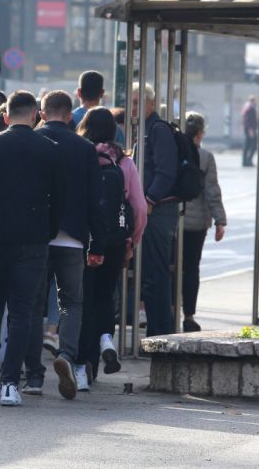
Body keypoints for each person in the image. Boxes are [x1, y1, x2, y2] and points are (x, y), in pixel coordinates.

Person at [0, 90, 65, 407]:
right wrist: (46, 232)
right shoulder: (49, 149)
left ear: (5, 117)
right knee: (21, 311)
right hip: (32, 240)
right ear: (35, 115)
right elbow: (58, 200)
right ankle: (11, 383)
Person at [21, 90, 105, 399]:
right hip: (72, 237)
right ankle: (67, 356)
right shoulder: (84, 148)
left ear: (41, 114)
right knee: (72, 302)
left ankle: (32, 375)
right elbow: (95, 200)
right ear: (70, 115)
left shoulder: (31, 142)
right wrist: (97, 242)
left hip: (35, 237)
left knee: (32, 304)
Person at [75, 108, 147, 382]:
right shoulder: (124, 161)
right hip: (115, 241)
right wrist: (132, 240)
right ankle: (106, 338)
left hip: (83, 240)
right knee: (106, 296)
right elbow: (139, 208)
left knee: (83, 301)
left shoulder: (79, 156)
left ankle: (82, 369)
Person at [134, 82, 179, 336]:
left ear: (151, 103)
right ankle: (157, 330)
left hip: (158, 211)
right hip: (151, 209)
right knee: (151, 273)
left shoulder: (157, 129)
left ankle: (160, 333)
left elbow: (165, 171)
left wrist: (150, 200)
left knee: (155, 273)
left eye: (137, 102)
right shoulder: (144, 129)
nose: (133, 107)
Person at [182, 112, 227, 332]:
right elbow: (212, 191)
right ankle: (188, 316)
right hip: (197, 224)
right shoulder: (206, 157)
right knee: (191, 269)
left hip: (175, 222)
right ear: (200, 134)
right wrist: (220, 220)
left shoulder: (175, 152)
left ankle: (169, 310)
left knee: (170, 268)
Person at [242, 95, 258, 167]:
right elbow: (248, 120)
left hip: (250, 129)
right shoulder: (249, 108)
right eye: (255, 100)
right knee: (252, 145)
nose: (256, 102)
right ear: (252, 101)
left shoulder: (248, 107)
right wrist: (250, 130)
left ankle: (247, 161)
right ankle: (247, 161)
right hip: (250, 130)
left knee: (248, 145)